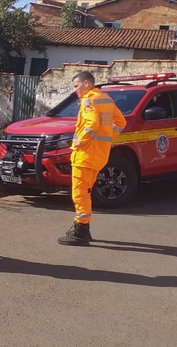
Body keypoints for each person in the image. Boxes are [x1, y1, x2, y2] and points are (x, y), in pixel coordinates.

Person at [58, 71, 126, 246]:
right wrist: (107, 137)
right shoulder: (106, 99)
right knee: (86, 191)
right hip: (99, 155)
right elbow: (121, 122)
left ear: (86, 83)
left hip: (85, 155)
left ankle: (80, 231)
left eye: (76, 86)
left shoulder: (89, 100)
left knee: (79, 193)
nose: (75, 91)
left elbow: (91, 124)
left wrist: (78, 142)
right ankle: (83, 229)